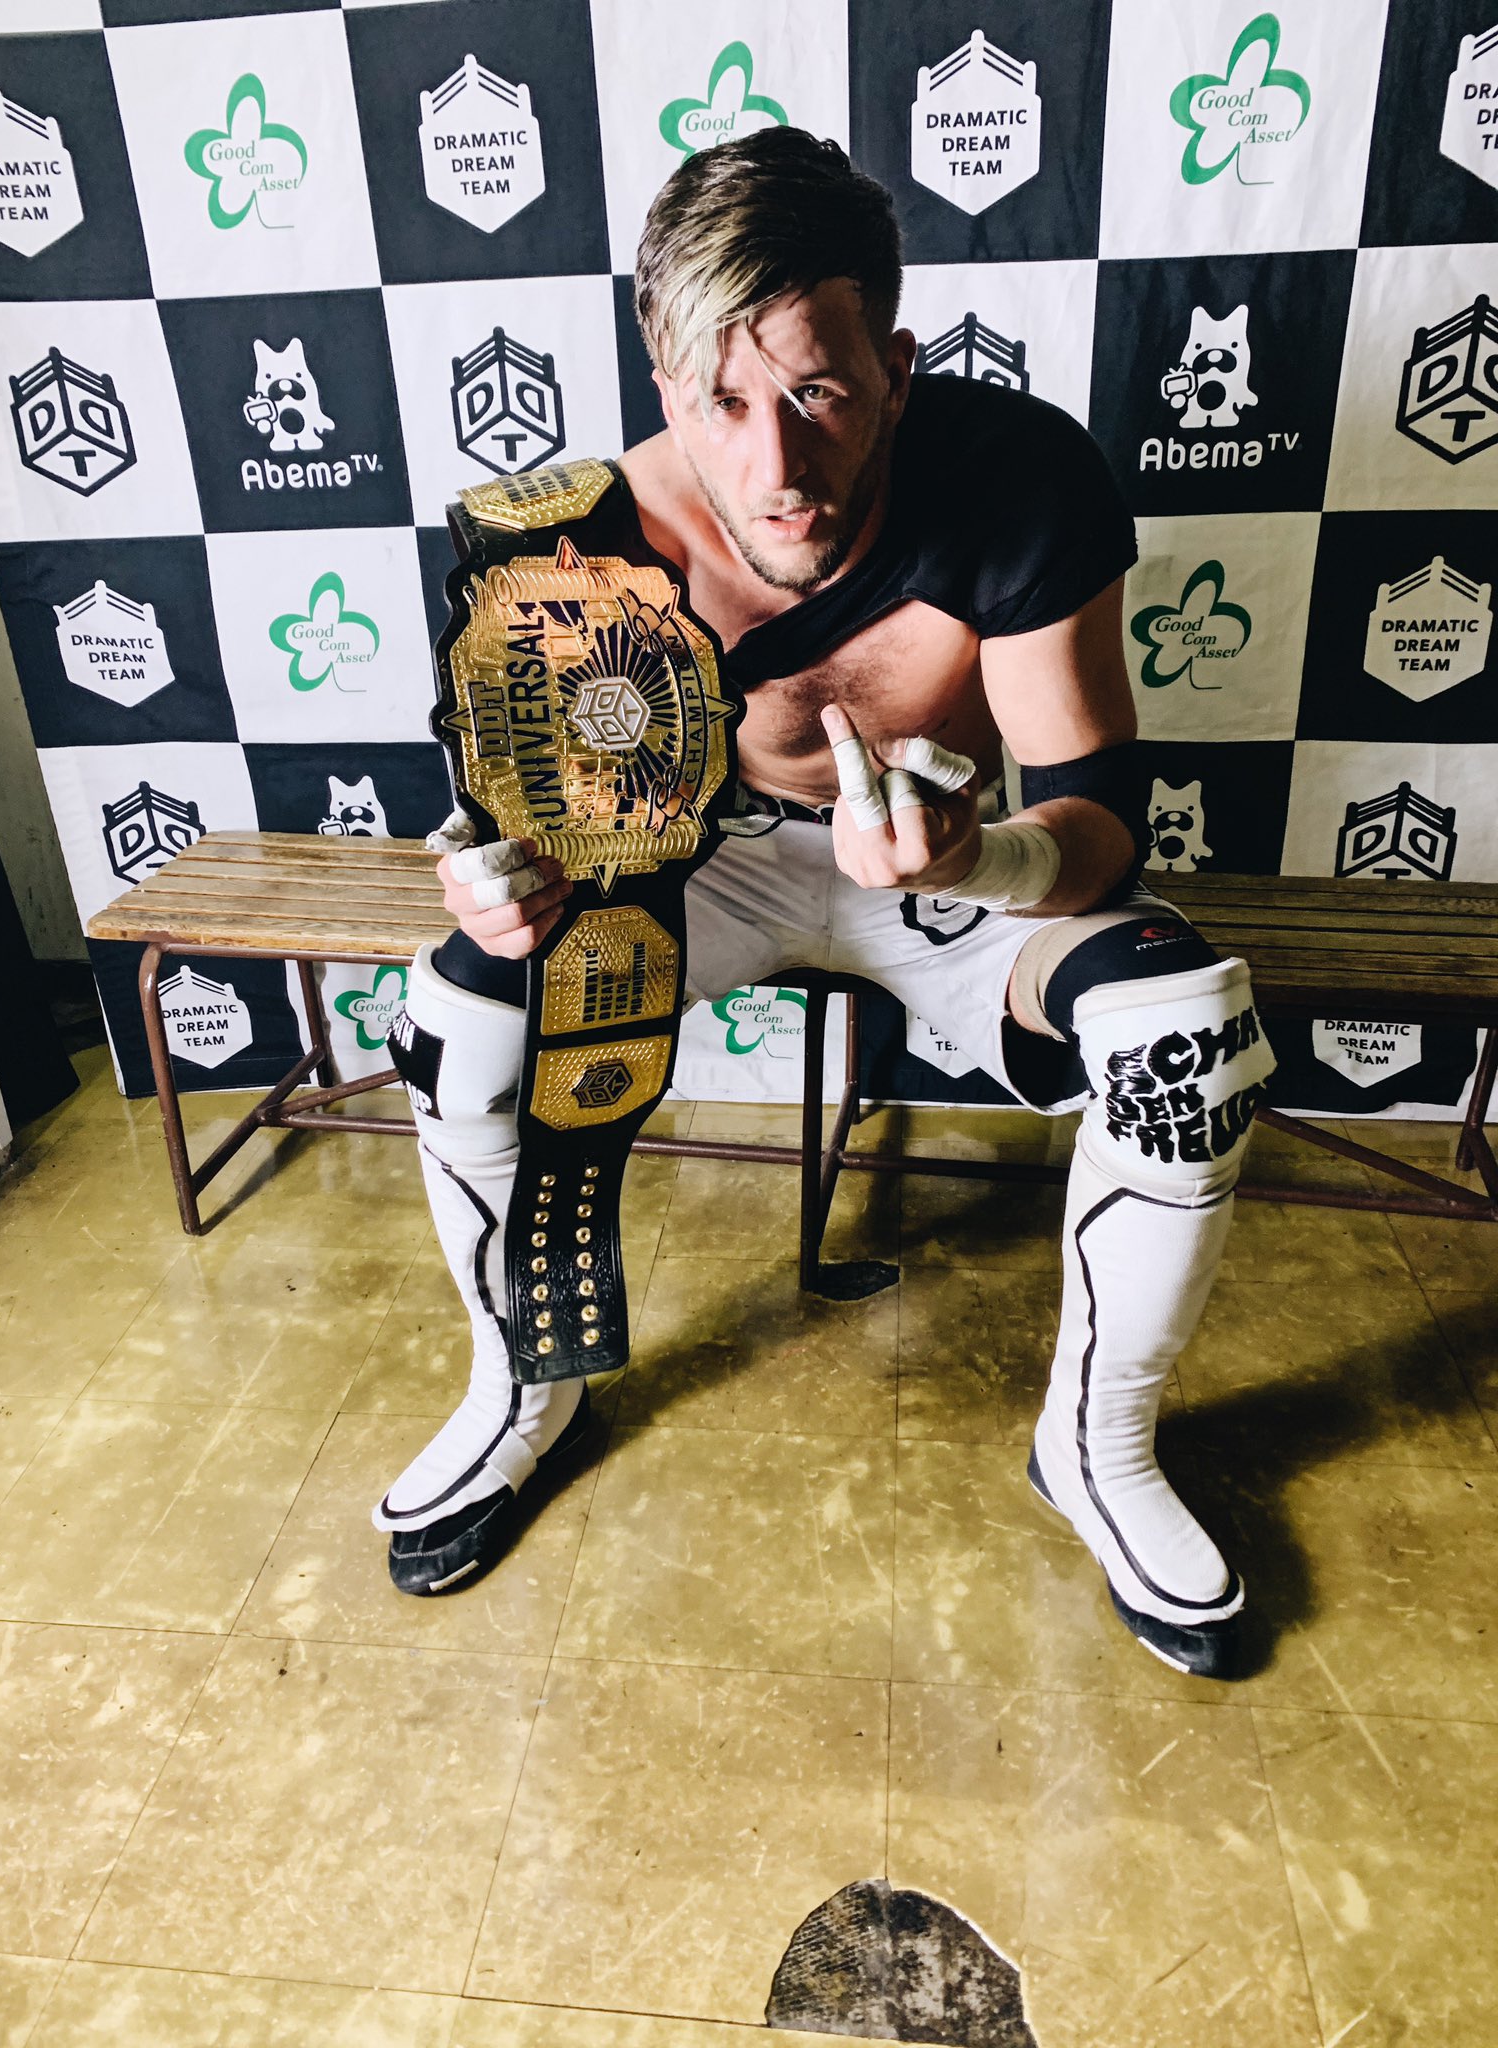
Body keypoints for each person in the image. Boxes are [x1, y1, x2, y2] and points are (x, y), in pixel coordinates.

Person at [371, 129, 1275, 1680]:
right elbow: (522, 818)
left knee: (1185, 1041)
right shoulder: (569, 537)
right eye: (724, 404)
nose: (775, 469)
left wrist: (969, 857)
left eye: (819, 394)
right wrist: (495, 877)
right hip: (699, 862)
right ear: (666, 389)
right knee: (460, 1011)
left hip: (950, 859)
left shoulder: (1018, 477)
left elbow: (1101, 821)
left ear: (896, 371)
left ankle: (1098, 1446)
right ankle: (524, 1383)